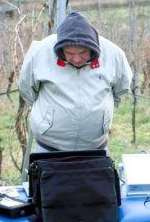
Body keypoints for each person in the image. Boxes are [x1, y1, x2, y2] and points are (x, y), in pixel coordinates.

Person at [19, 11, 133, 153]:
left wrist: (102, 114)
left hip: (95, 147)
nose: (77, 59)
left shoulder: (113, 54)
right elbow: (27, 88)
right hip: (48, 147)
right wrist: (49, 117)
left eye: (83, 53)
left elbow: (121, 88)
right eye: (70, 54)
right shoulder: (40, 52)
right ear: (61, 49)